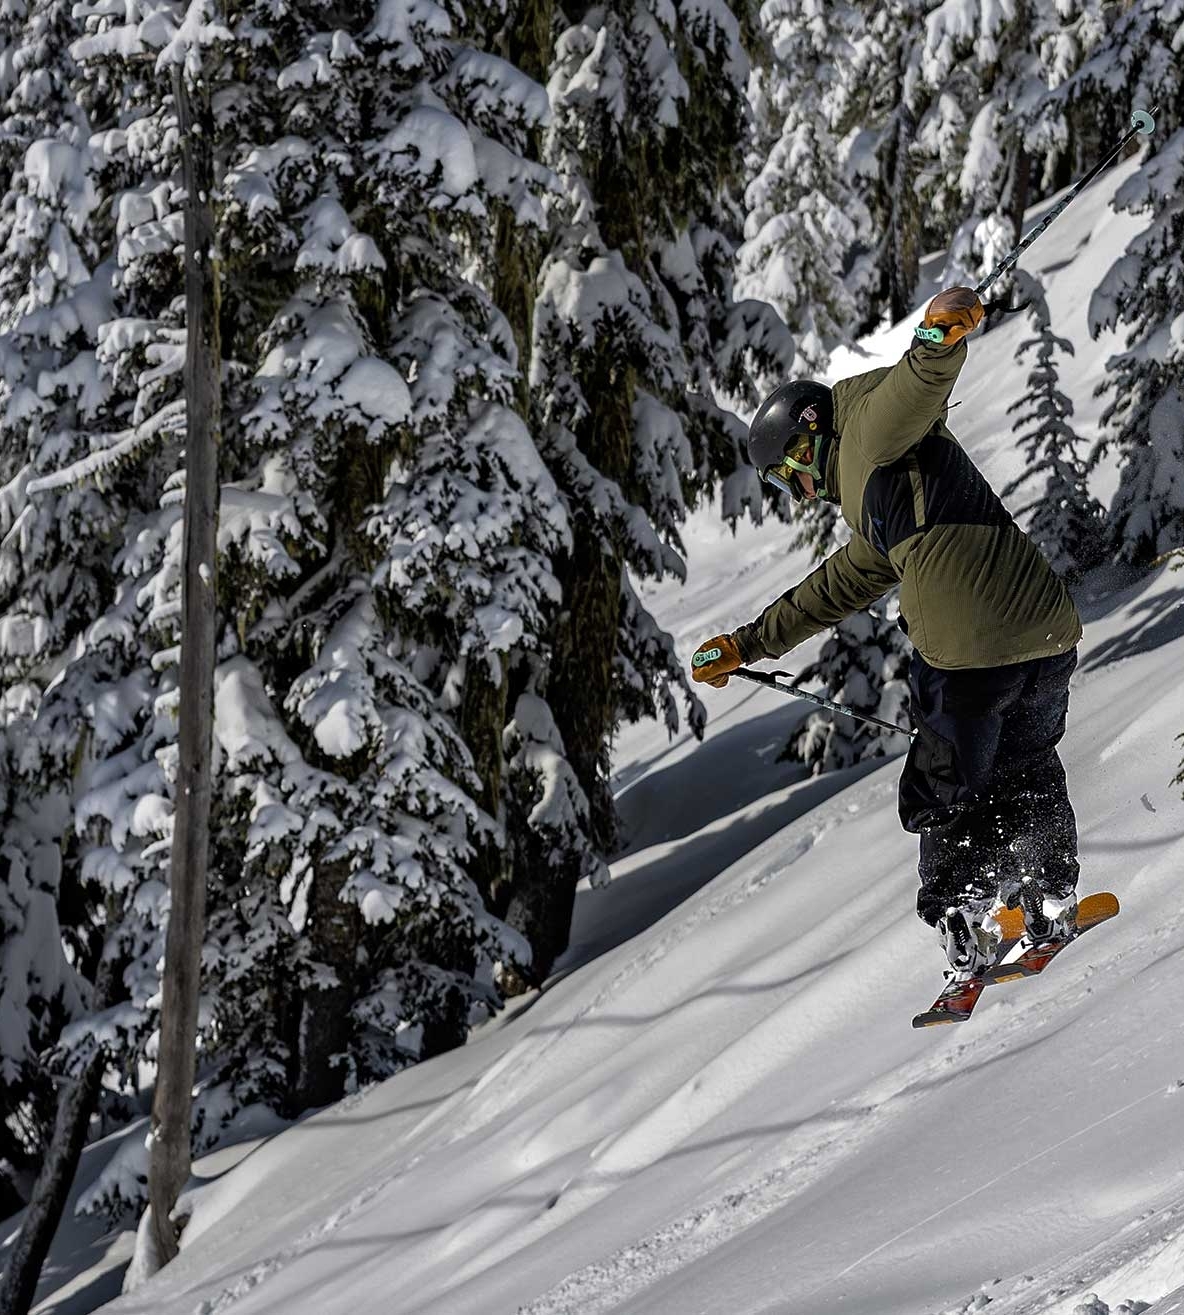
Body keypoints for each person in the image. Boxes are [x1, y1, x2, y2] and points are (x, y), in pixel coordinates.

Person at [691, 286, 1083, 979]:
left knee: (940, 785)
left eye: (787, 475)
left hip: (970, 648)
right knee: (1025, 764)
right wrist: (750, 642)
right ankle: (1049, 891)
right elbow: (840, 583)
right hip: (1046, 631)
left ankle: (968, 922)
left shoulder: (869, 430)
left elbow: (916, 387)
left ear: (807, 434)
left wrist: (937, 337)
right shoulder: (884, 491)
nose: (797, 491)